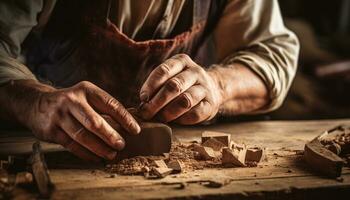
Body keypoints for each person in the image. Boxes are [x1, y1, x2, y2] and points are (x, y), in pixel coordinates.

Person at [0, 0, 299, 161]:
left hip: (171, 159)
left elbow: (273, 53)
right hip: (51, 149)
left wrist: (218, 87)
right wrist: (36, 102)